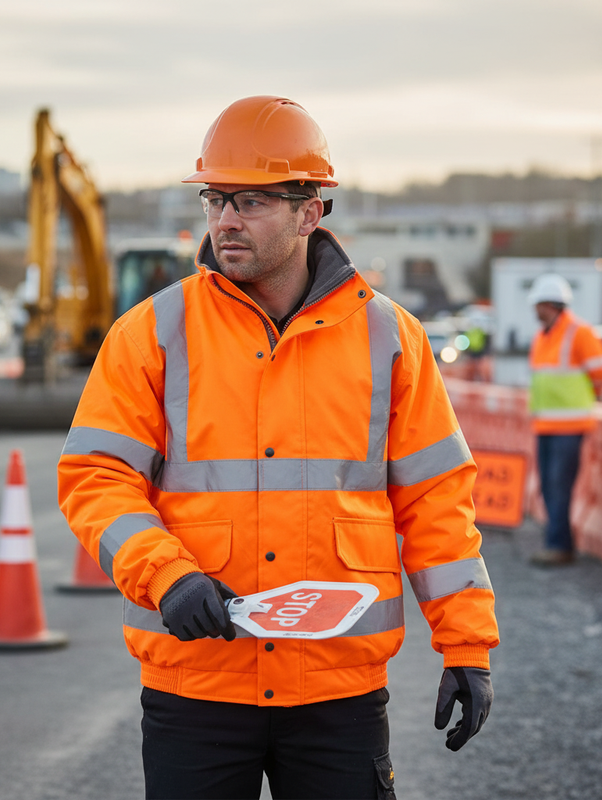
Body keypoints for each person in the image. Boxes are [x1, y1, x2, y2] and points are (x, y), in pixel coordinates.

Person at [58, 95, 499, 800]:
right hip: (197, 685)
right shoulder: (151, 333)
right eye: (216, 199)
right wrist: (166, 575)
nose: (226, 220)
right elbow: (97, 478)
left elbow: (436, 503)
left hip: (336, 691)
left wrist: (466, 644)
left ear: (309, 212)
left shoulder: (391, 338)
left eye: (252, 200)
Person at [527, 274, 602, 566]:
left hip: (570, 426)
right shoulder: (542, 336)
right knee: (548, 487)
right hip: (545, 425)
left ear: (550, 304)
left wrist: (588, 399)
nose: (534, 310)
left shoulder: (580, 333)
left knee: (558, 486)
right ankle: (557, 543)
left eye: (537, 304)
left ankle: (559, 546)